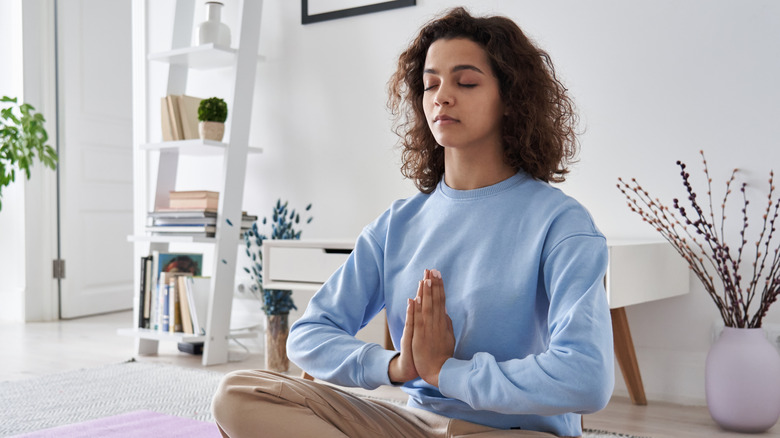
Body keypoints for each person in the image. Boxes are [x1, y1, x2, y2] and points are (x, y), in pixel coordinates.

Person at [212, 7, 613, 438]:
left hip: (514, 432)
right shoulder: (398, 224)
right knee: (239, 393)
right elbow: (309, 334)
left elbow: (587, 377)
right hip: (416, 424)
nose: (442, 95)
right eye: (430, 84)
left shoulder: (561, 222)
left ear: (511, 100)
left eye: (466, 81)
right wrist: (397, 366)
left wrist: (447, 372)